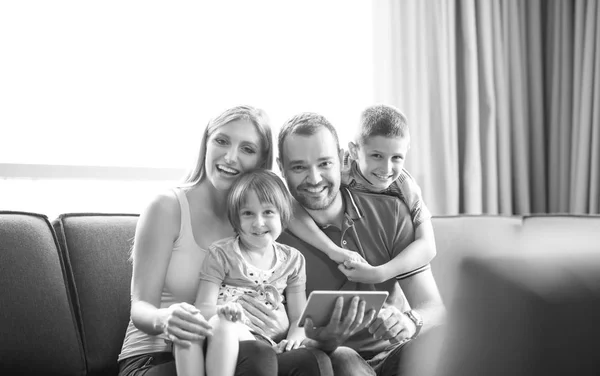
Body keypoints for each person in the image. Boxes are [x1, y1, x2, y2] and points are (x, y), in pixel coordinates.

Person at [118, 106, 331, 376]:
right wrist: (164, 318)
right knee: (256, 357)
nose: (231, 157)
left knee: (313, 361)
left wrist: (281, 326)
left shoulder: (258, 224)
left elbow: (314, 200)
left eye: (247, 149)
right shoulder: (167, 207)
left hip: (244, 350)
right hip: (157, 356)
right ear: (205, 144)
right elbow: (140, 307)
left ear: (261, 160)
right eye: (222, 141)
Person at [276, 112, 446, 376]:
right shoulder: (271, 233)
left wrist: (410, 322)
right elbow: (280, 338)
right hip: (327, 360)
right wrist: (325, 341)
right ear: (281, 167)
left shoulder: (392, 212)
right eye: (299, 167)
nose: (315, 178)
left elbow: (434, 307)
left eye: (324, 163)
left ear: (342, 158)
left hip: (394, 353)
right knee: (343, 359)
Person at [174, 169, 308, 376]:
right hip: (222, 332)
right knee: (220, 325)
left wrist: (294, 338)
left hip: (262, 343)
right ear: (236, 219)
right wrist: (224, 312)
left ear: (283, 214)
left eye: (268, 212)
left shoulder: (293, 260)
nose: (258, 223)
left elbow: (300, 316)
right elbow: (204, 306)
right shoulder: (221, 253)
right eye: (248, 213)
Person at [287, 104, 437, 284]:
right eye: (377, 156)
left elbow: (428, 246)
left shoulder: (405, 187)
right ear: (354, 151)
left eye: (396, 157)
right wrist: (332, 250)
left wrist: (379, 274)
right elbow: (290, 204)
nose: (386, 169)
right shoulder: (339, 168)